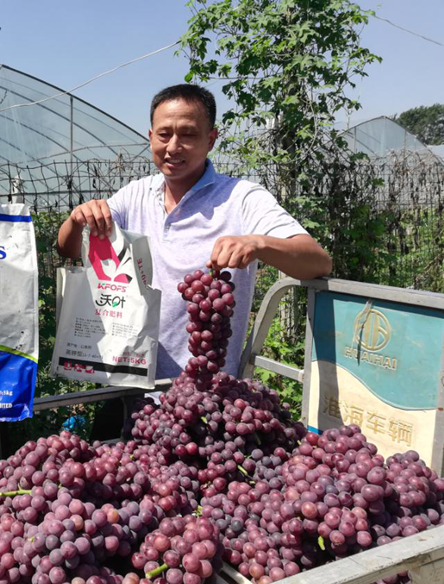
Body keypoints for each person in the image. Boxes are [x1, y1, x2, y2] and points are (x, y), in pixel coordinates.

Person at [57, 84, 331, 435]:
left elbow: (316, 261)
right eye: (164, 134)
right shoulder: (135, 195)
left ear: (212, 138)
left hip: (202, 401)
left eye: (188, 134)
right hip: (128, 384)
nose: (173, 147)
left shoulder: (242, 199)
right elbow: (67, 249)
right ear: (150, 135)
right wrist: (78, 218)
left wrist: (259, 243)